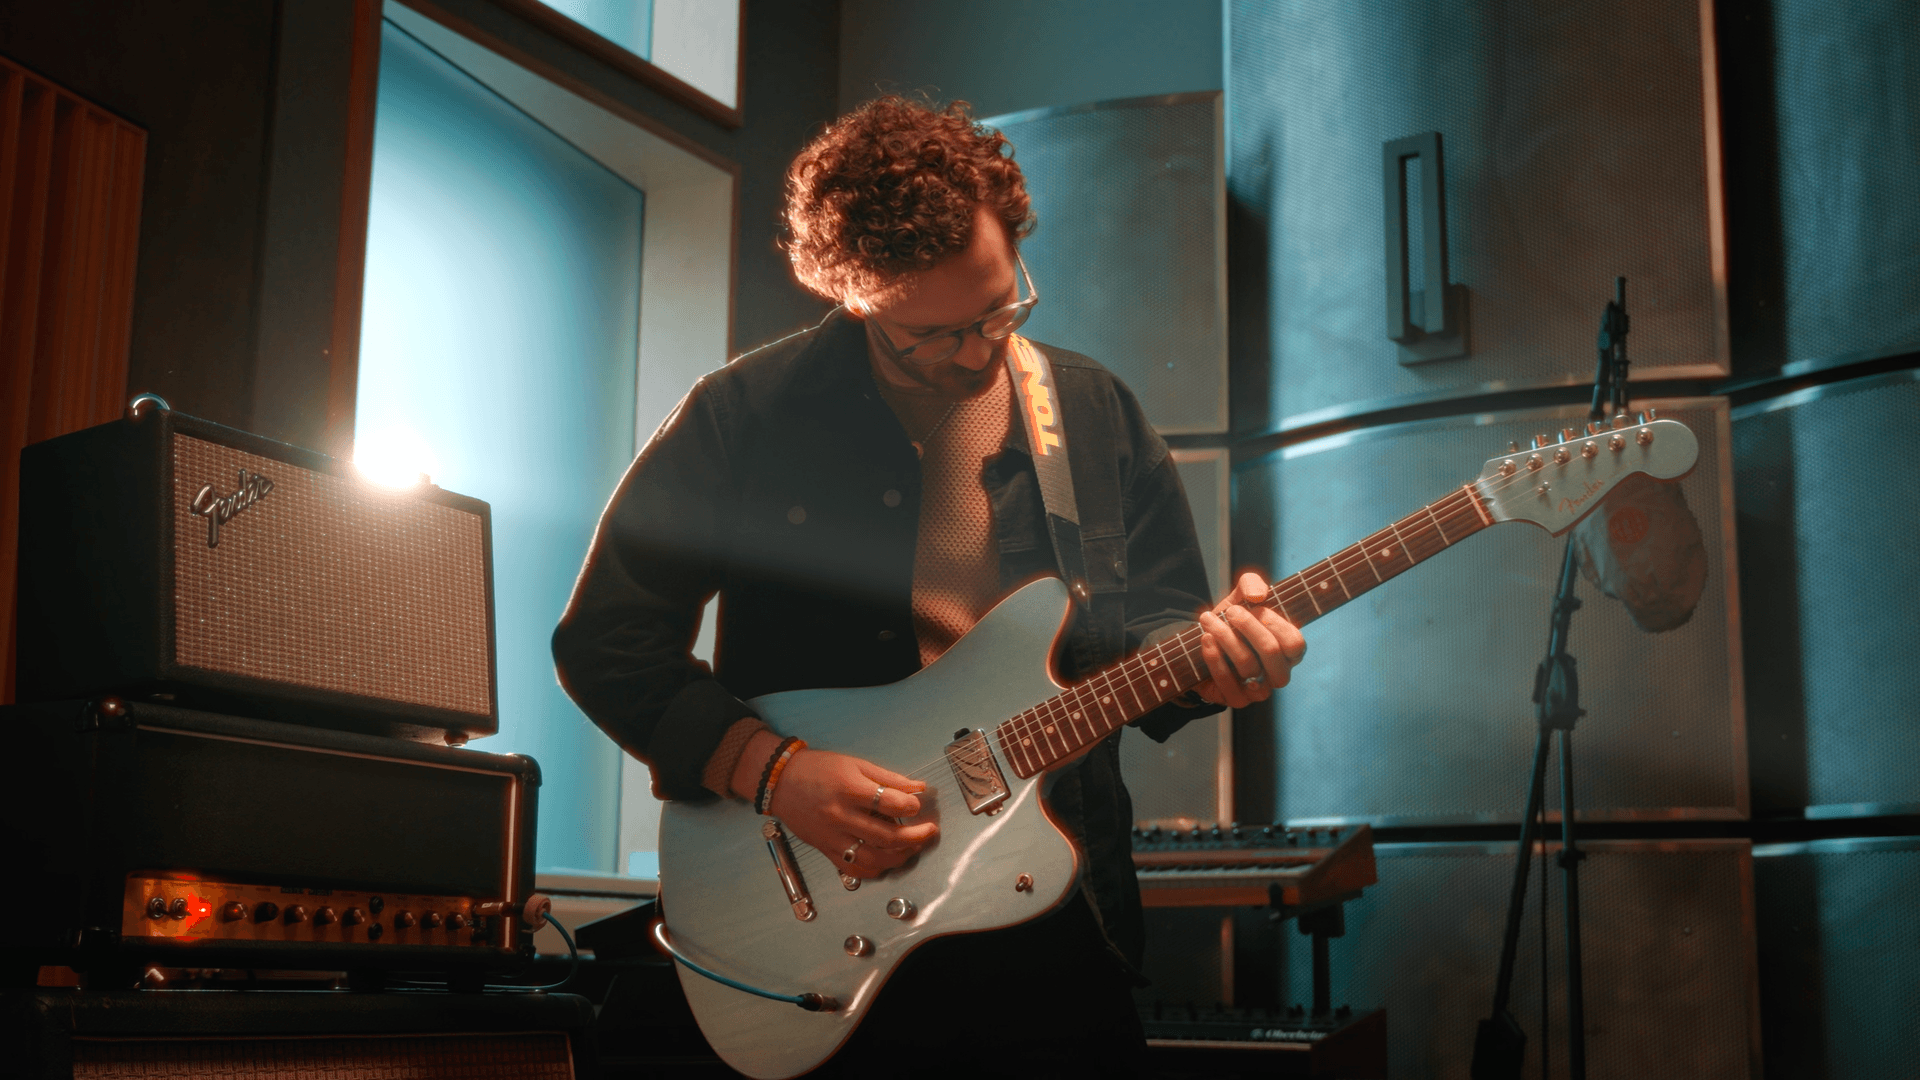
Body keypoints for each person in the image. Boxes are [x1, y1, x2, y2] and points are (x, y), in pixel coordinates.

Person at [552, 96, 1305, 1075]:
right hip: (823, 904)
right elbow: (606, 640)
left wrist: (1216, 662)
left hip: (1054, 928)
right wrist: (770, 771)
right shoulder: (745, 415)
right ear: (855, 296)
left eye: (1003, 307)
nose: (981, 347)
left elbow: (1150, 626)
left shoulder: (1091, 412)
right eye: (936, 334)